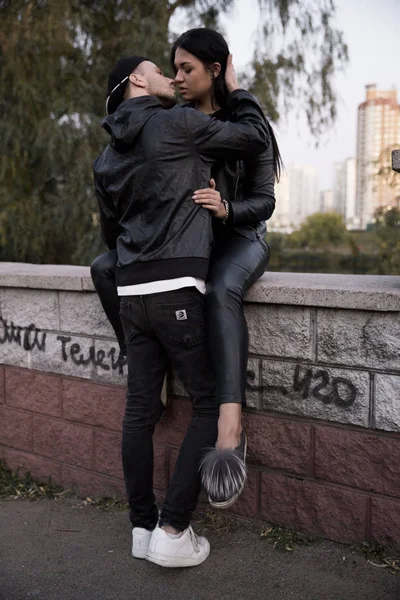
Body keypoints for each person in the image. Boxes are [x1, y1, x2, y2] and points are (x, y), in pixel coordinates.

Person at [91, 29, 282, 510]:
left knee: (219, 291)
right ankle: (145, 367)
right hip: (184, 252)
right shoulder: (174, 121)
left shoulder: (238, 117)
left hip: (239, 236)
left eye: (186, 69)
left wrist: (226, 210)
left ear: (215, 71)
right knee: (103, 267)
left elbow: (264, 202)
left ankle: (230, 424)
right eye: (171, 68)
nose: (176, 77)